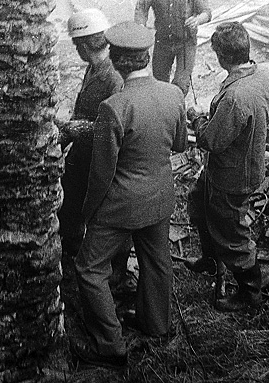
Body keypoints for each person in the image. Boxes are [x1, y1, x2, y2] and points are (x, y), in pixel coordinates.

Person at [70, 21, 187, 369]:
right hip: (160, 197)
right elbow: (180, 144)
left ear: (119, 61)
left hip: (121, 204)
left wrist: (87, 213)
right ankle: (157, 326)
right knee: (157, 262)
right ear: (148, 56)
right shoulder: (173, 94)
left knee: (89, 268)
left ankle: (110, 345)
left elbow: (103, 173)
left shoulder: (114, 107)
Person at [185, 22, 269, 312]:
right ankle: (212, 261)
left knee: (233, 236)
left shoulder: (237, 96)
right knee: (197, 202)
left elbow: (211, 140)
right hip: (237, 164)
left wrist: (197, 118)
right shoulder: (262, 75)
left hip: (232, 175)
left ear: (223, 56)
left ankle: (250, 294)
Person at [57, 8, 124, 257]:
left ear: (84, 46)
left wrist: (81, 129)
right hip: (82, 153)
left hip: (100, 158)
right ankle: (72, 249)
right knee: (70, 204)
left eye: (77, 45)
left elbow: (117, 128)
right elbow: (82, 107)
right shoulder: (93, 69)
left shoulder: (113, 77)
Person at [134, 0, 211, 96]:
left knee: (181, 84)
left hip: (186, 43)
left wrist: (197, 20)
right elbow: (141, 8)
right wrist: (141, 26)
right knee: (159, 83)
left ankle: (177, 113)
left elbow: (207, 12)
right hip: (162, 42)